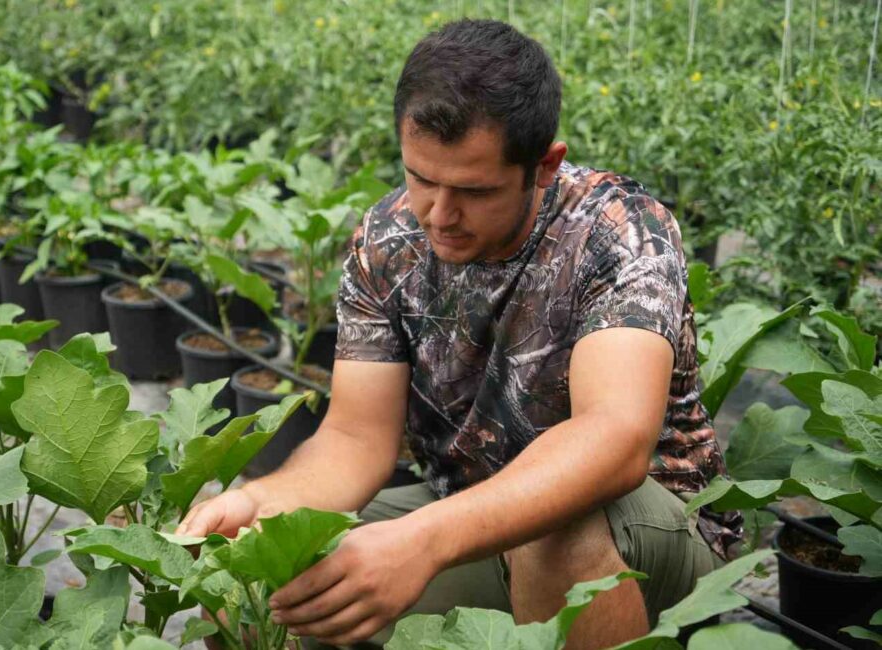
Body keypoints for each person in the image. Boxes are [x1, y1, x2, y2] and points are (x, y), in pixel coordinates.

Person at [177, 18, 741, 649]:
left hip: (648, 529)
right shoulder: (388, 240)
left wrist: (423, 539)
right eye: (421, 178)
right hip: (471, 518)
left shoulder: (615, 229)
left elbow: (614, 439)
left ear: (544, 165)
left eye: (474, 191)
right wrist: (268, 503)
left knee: (555, 535)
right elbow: (356, 436)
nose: (439, 216)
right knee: (254, 579)